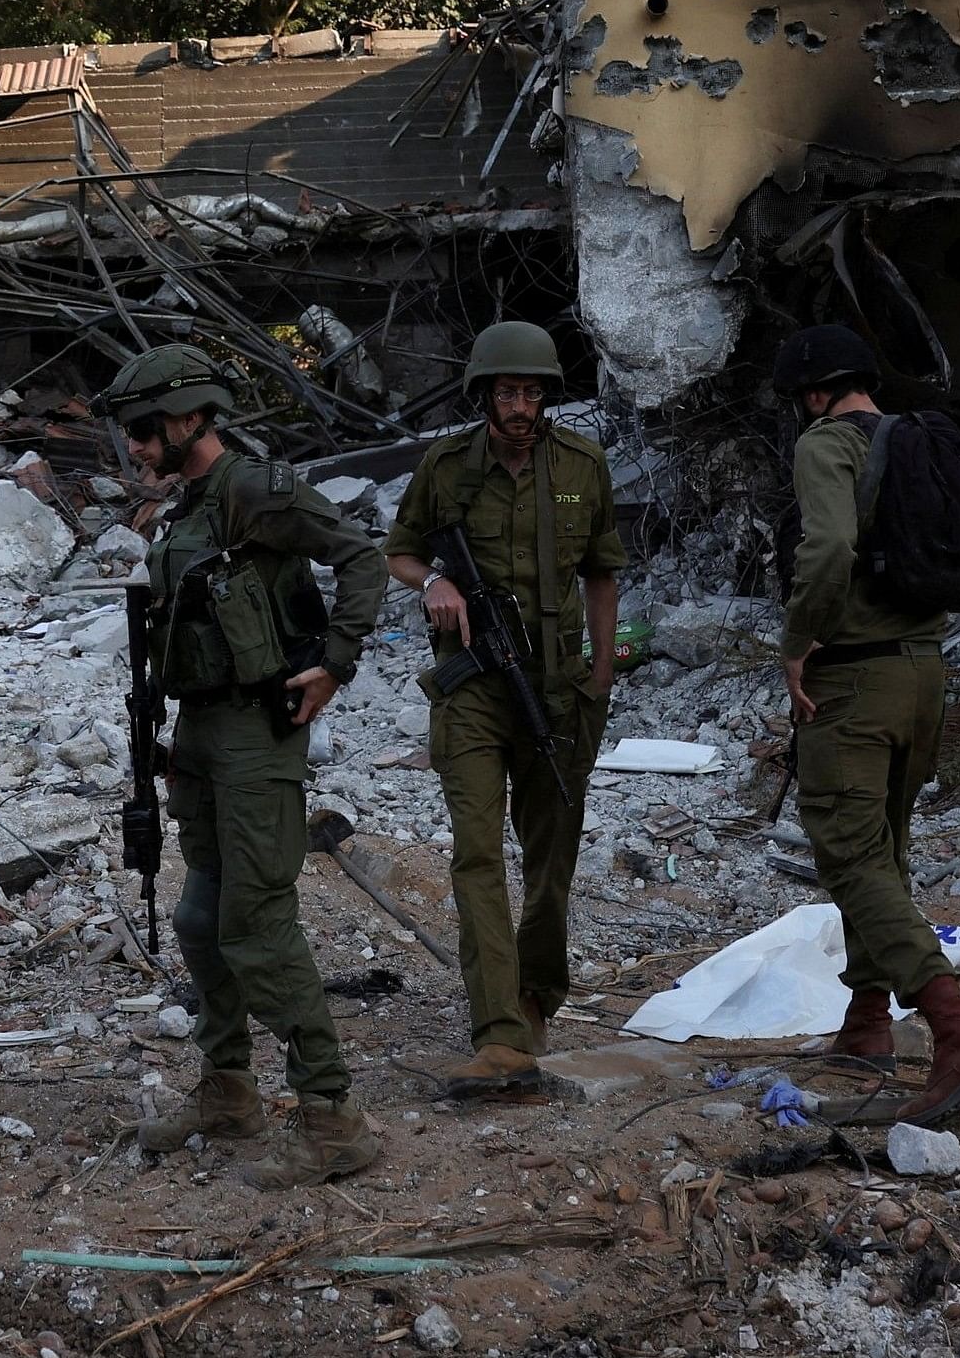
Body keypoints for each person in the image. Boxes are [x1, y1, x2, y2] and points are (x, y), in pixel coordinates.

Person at [108, 344, 390, 1187]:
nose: (137, 448)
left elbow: (362, 558)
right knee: (199, 919)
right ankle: (229, 1090)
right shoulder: (191, 505)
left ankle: (334, 1118)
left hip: (258, 733)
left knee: (257, 926)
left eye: (146, 430)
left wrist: (336, 661)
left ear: (190, 416)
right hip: (199, 730)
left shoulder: (254, 490)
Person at [775, 323, 960, 1122]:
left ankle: (957, 1029)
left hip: (850, 683)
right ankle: (865, 1024)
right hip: (923, 678)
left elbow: (826, 551)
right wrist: (914, 600)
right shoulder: (923, 443)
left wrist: (799, 639)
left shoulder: (825, 444)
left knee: (851, 858)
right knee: (883, 851)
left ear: (814, 395)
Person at [384, 321, 623, 1093]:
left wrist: (602, 665)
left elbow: (602, 570)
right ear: (483, 394)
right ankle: (495, 1030)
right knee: (478, 853)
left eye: (532, 392)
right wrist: (434, 584)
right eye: (507, 391)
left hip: (556, 686)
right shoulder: (447, 466)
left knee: (552, 851)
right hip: (476, 688)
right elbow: (400, 549)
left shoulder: (583, 466)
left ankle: (535, 993)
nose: (521, 405)